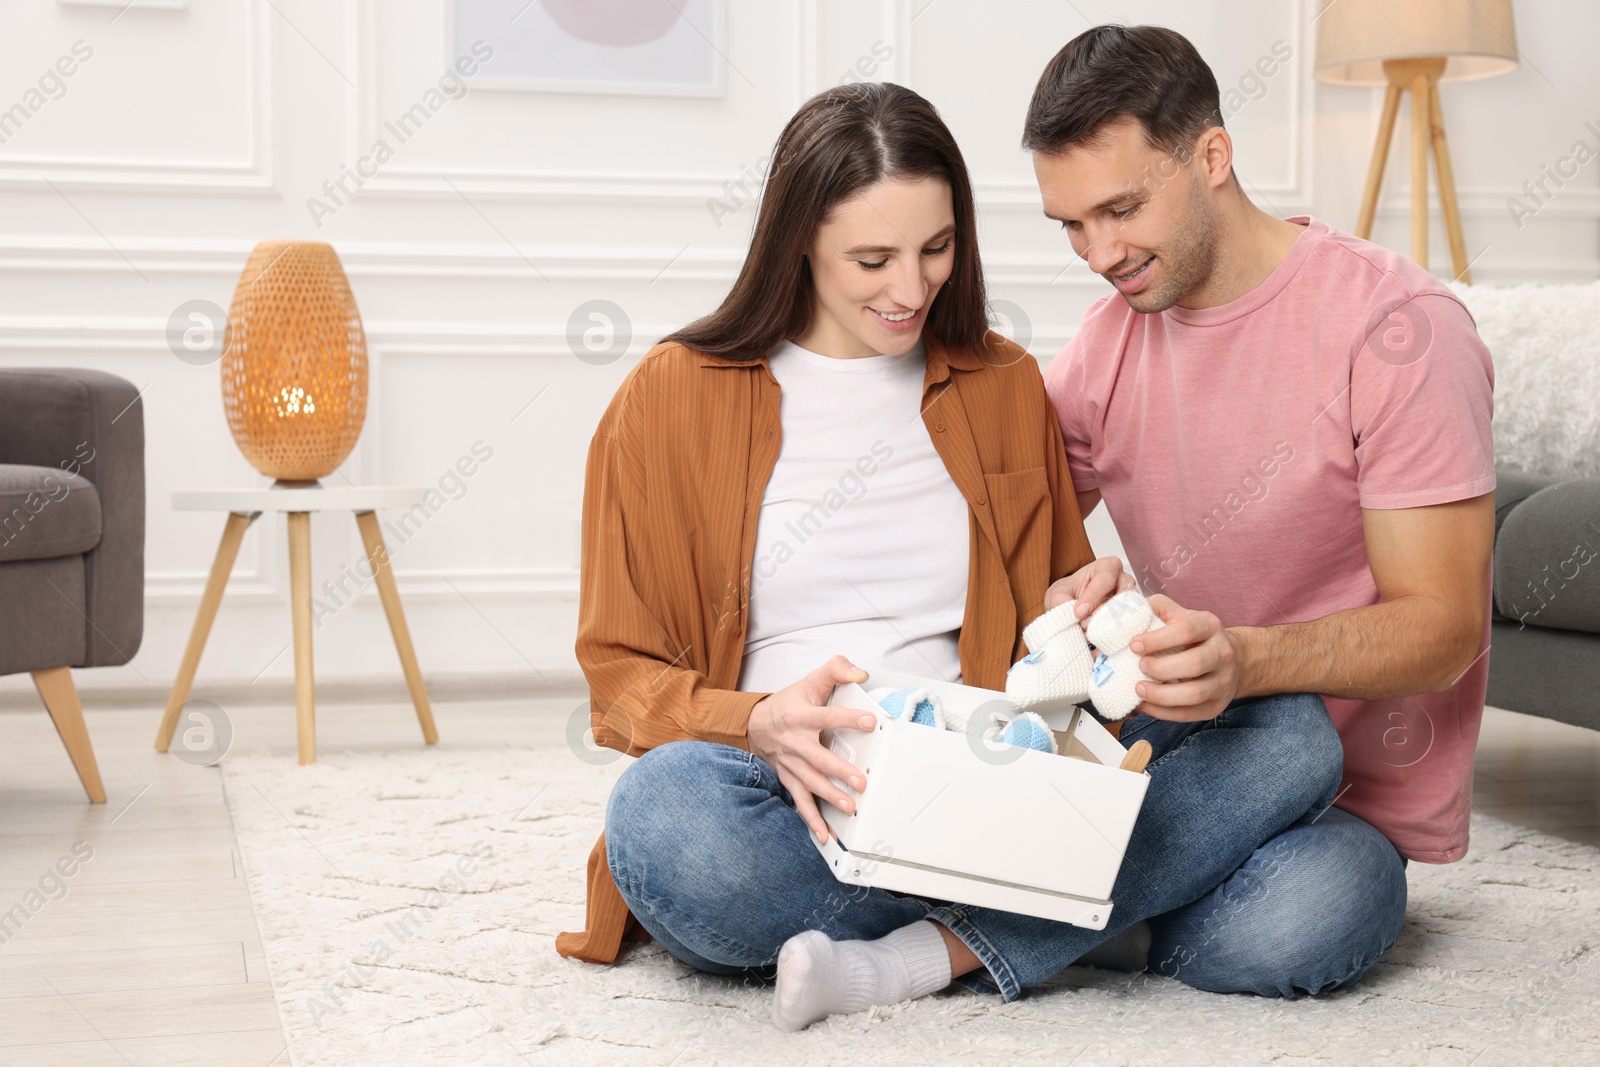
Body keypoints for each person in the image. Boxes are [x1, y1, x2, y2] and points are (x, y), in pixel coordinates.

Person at [554, 81, 1343, 1032]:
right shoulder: (672, 396)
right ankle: (1091, 906)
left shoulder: (1002, 382)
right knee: (662, 822)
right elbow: (619, 675)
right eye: (872, 259)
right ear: (796, 241)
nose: (911, 289)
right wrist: (759, 720)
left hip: (987, 765)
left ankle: (921, 955)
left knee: (1290, 727)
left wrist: (1085, 611)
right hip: (798, 792)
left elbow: (1050, 641)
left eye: (937, 249)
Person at [1026, 24, 1497, 993]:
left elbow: (1443, 628)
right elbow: (1014, 534)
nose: (1097, 252)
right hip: (1180, 746)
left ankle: (1063, 911)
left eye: (1120, 208)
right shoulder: (1103, 344)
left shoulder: (1397, 329)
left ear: (1211, 156)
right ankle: (1116, 905)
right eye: (1069, 224)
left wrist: (1246, 659)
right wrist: (1074, 584)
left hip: (1338, 794)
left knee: (1308, 921)